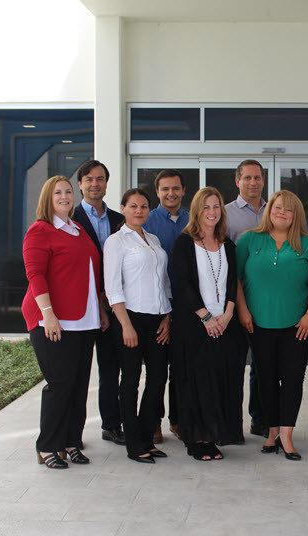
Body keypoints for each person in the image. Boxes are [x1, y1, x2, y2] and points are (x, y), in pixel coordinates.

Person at [22, 175, 108, 469]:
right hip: (53, 320)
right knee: (59, 384)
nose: (64, 196)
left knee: (78, 385)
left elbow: (89, 273)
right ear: (47, 197)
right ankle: (48, 445)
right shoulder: (40, 231)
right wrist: (48, 315)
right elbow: (36, 275)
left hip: (84, 321)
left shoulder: (78, 229)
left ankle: (71, 441)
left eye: (68, 192)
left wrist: (100, 311)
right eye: (57, 192)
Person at [236, 190, 308, 460]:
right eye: (277, 207)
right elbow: (236, 279)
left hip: (297, 326)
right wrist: (243, 311)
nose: (281, 213)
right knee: (265, 380)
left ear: (296, 214)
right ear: (268, 209)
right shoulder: (249, 240)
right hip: (258, 324)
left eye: (288, 209)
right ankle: (272, 431)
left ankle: (286, 434)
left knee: (292, 380)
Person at [171, 186, 244, 461]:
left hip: (224, 324)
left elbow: (232, 282)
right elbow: (184, 282)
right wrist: (205, 317)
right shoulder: (184, 242)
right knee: (196, 382)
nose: (212, 212)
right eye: (206, 207)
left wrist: (227, 315)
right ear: (197, 211)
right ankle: (197, 440)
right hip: (194, 326)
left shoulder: (228, 244)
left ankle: (216, 435)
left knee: (220, 381)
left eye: (216, 207)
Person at [103, 188, 172, 463]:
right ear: (123, 208)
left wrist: (168, 316)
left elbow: (164, 282)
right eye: (133, 206)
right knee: (130, 382)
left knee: (157, 380)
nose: (140, 211)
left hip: (158, 319)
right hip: (130, 318)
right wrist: (126, 325)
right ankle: (134, 443)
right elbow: (112, 287)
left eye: (144, 206)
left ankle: (147, 436)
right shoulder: (116, 241)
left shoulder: (153, 238)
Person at [72, 159, 126, 447]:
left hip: (113, 307)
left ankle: (111, 425)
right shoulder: (69, 219)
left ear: (107, 183)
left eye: (100, 179)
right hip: (80, 306)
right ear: (80, 184)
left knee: (110, 370)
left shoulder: (120, 219)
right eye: (89, 179)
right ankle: (72, 433)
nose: (95, 184)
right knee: (77, 374)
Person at [143, 169, 190, 443]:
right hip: (156, 305)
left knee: (181, 368)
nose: (170, 193)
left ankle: (178, 420)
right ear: (157, 192)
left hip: (186, 305)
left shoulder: (191, 219)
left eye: (175, 188)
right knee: (157, 369)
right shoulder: (147, 221)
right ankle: (153, 422)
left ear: (183, 191)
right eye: (165, 189)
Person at [224, 159, 267, 438]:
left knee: (261, 367)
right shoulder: (225, 214)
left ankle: (260, 419)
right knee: (234, 365)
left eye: (257, 177)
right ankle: (230, 425)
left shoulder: (273, 210)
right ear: (237, 181)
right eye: (247, 178)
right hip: (234, 300)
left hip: (265, 303)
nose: (253, 182)